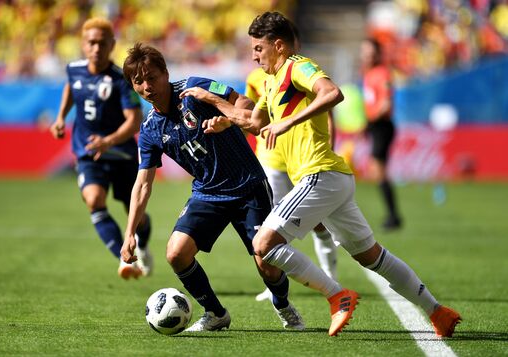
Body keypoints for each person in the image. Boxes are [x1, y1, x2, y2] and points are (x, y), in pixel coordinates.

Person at [199, 11, 462, 338]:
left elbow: (332, 93)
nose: (253, 55)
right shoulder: (269, 82)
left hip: (319, 173)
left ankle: (338, 296)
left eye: (258, 49)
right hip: (331, 179)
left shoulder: (298, 66)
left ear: (278, 45)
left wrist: (288, 122)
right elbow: (256, 122)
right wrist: (225, 118)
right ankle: (438, 312)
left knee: (264, 244)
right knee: (372, 257)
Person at [119, 43, 305, 332]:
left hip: (248, 186)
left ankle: (282, 304)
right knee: (176, 253)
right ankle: (216, 313)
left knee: (266, 262)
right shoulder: (150, 129)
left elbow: (245, 104)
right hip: (207, 193)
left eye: (152, 77)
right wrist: (130, 233)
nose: (147, 86)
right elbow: (143, 184)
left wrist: (227, 117)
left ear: (166, 73)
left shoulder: (196, 87)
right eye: (138, 81)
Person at [49, 18, 153, 280]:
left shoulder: (121, 80)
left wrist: (108, 141)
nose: (96, 48)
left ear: (112, 45)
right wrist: (61, 116)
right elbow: (71, 89)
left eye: (102, 43)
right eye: (91, 43)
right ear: (83, 45)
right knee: (94, 200)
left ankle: (142, 246)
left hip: (121, 154)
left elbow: (134, 120)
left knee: (136, 216)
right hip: (88, 153)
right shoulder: (74, 70)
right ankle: (124, 259)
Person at [246, 65, 338, 304]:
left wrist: (330, 144)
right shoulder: (255, 79)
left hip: (302, 159)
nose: (257, 55)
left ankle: (331, 277)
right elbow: (252, 115)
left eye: (259, 48)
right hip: (271, 160)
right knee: (271, 227)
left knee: (320, 222)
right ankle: (275, 285)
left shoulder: (300, 72)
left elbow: (328, 110)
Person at [360, 38, 402, 230]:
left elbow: (386, 104)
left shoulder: (382, 73)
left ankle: (393, 216)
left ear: (377, 54)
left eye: (370, 52)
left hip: (382, 125)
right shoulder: (368, 74)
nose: (366, 55)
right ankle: (392, 215)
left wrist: (371, 119)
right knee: (377, 171)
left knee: (380, 170)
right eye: (364, 52)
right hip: (375, 126)